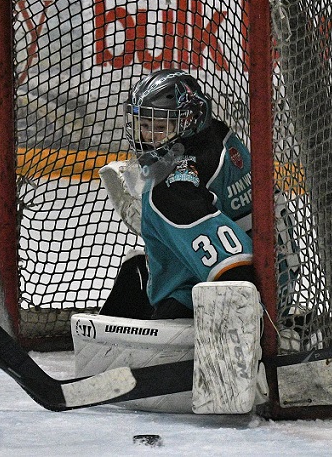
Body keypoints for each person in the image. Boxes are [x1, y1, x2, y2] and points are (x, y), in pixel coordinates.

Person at [98, 68, 255, 320]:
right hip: (276, 266)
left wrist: (159, 213)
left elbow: (235, 273)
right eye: (144, 125)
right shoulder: (219, 135)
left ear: (188, 122)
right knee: (136, 268)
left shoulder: (172, 189)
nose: (148, 137)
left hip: (237, 299)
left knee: (158, 270)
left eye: (160, 126)